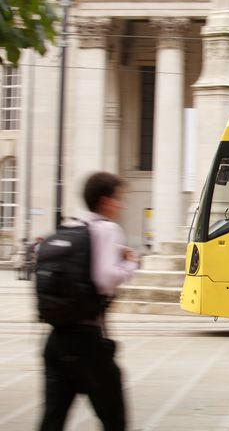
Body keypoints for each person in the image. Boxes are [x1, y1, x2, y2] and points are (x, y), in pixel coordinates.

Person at [40, 172, 138, 431]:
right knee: (114, 418)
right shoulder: (107, 230)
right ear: (105, 201)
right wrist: (129, 264)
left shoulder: (71, 227)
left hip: (56, 339)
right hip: (87, 341)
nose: (122, 204)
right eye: (119, 199)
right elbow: (105, 279)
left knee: (53, 419)